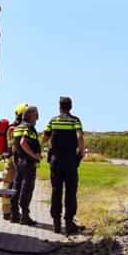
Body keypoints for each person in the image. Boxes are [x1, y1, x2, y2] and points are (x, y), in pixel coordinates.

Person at [43, 97, 86, 235]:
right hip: (70, 159)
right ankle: (69, 224)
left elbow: (44, 138)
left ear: (60, 107)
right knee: (71, 191)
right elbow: (79, 137)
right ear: (70, 107)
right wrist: (81, 152)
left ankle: (56, 224)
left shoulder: (53, 120)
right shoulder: (75, 121)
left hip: (55, 159)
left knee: (56, 190)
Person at [11, 105, 42, 226]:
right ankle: (25, 215)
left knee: (16, 186)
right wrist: (34, 155)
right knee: (27, 187)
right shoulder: (29, 127)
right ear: (31, 116)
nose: (37, 119)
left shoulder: (18, 127)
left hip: (19, 161)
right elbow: (24, 142)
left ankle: (14, 213)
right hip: (28, 162)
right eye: (36, 115)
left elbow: (14, 146)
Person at [1, 102, 27, 221]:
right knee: (8, 188)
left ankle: (13, 212)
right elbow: (13, 150)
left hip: (15, 165)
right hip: (12, 166)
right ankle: (7, 213)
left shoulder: (20, 128)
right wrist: (19, 166)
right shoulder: (13, 129)